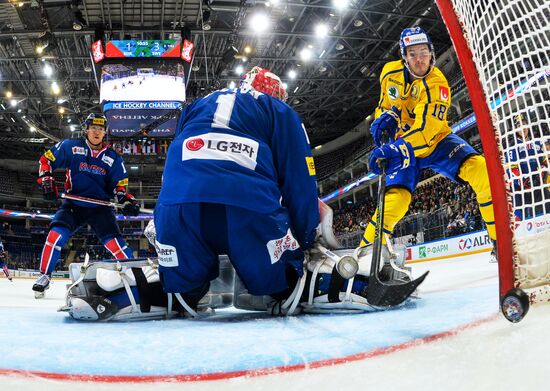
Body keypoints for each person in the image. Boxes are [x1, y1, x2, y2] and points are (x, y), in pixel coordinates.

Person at [151, 66, 321, 313]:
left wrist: (161, 220)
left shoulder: (195, 107)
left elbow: (172, 168)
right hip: (249, 208)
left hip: (177, 209)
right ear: (276, 94)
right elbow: (300, 179)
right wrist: (305, 236)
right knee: (286, 284)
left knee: (182, 292)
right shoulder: (278, 110)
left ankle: (157, 294)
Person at [361, 27, 497, 256]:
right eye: (412, 54)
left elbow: (427, 131)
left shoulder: (438, 84)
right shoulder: (388, 73)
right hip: (402, 143)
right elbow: (385, 105)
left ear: (431, 53)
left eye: (423, 52)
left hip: (435, 142)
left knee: (482, 171)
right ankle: (365, 256)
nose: (419, 59)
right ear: (403, 56)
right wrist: (384, 119)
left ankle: (499, 240)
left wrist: (394, 149)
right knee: (394, 201)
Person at [32, 113, 140, 298]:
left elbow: (120, 187)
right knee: (54, 237)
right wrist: (46, 179)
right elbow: (46, 160)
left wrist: (127, 201)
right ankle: (44, 276)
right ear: (86, 130)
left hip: (101, 208)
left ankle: (135, 279)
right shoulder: (71, 147)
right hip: (73, 203)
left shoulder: (113, 158)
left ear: (105, 132)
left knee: (116, 246)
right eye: (93, 128)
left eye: (101, 129)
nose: (97, 132)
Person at [504, 114, 549, 221]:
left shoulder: (537, 142)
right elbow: (511, 169)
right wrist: (523, 181)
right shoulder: (512, 146)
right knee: (522, 216)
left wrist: (542, 171)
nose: (522, 128)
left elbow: (544, 161)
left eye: (524, 124)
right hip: (521, 190)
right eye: (519, 125)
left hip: (538, 184)